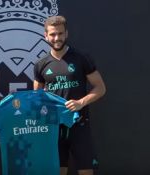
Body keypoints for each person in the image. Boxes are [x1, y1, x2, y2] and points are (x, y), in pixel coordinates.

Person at [33, 16, 106, 175]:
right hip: (54, 127)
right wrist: (43, 103)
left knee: (86, 171)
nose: (56, 38)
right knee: (58, 171)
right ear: (45, 35)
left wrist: (81, 102)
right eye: (52, 34)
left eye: (60, 33)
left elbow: (100, 88)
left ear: (66, 33)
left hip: (79, 124)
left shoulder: (81, 58)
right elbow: (37, 97)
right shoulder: (41, 64)